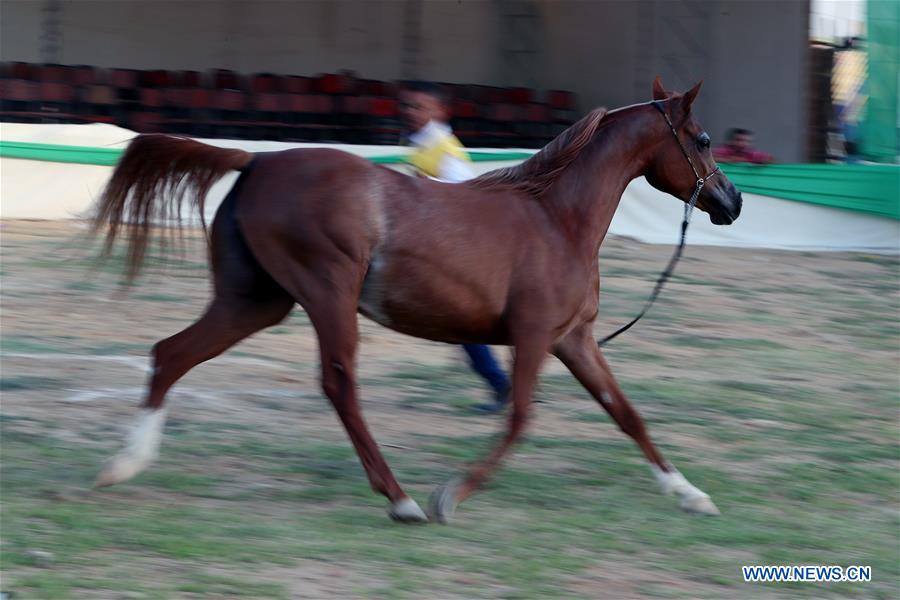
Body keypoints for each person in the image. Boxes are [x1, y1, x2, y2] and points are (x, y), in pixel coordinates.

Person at [399, 81, 511, 413]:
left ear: (440, 111)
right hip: (442, 245)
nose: (411, 112)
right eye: (408, 105)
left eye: (420, 107)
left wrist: (425, 186)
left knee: (463, 321)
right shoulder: (424, 144)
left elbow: (468, 195)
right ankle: (504, 381)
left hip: (455, 248)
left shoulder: (444, 149)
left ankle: (503, 382)